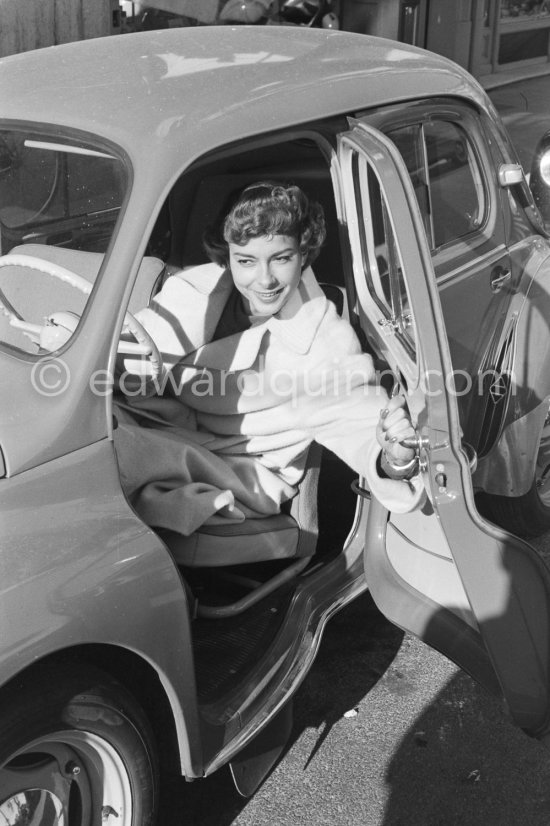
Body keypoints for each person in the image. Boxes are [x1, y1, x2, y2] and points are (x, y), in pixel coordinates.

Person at [114, 181, 423, 536]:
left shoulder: (324, 343)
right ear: (227, 255)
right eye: (246, 260)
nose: (264, 280)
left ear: (303, 254)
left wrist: (395, 459)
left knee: (105, 455)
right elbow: (134, 354)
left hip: (236, 468)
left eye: (281, 258)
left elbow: (361, 426)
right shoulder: (195, 287)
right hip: (163, 423)